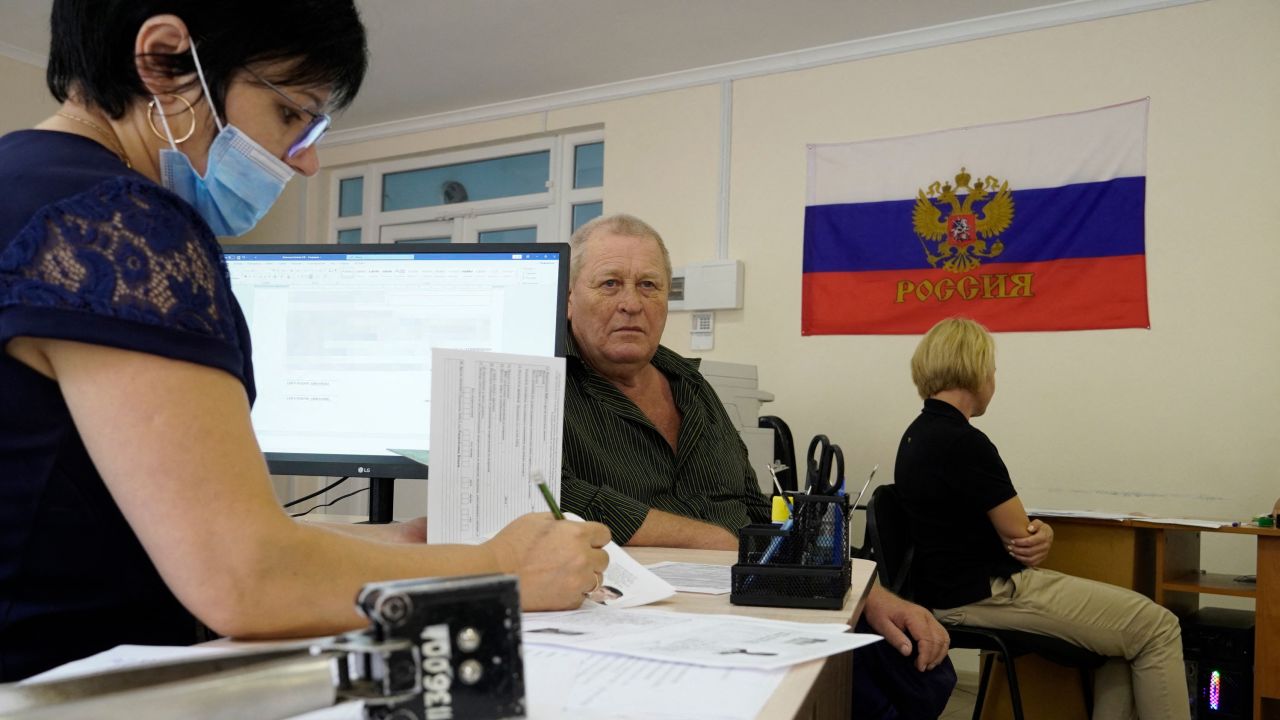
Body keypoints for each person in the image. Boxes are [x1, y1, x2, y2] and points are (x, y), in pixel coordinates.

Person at [0, 0, 609, 682]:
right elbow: (245, 579)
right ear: (164, 61)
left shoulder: (21, 184)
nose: (309, 161)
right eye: (292, 114)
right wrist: (504, 568)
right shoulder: (124, 225)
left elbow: (96, 521)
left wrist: (391, 555)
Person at [559, 213, 956, 718]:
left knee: (919, 669)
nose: (631, 303)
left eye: (649, 285)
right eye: (609, 283)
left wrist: (861, 587)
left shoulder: (691, 385)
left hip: (756, 593)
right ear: (569, 297)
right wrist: (722, 544)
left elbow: (755, 504)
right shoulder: (545, 386)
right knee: (862, 695)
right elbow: (566, 500)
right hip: (649, 624)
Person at [895, 317, 1189, 719]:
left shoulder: (916, 435)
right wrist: (1039, 533)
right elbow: (1021, 536)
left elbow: (996, 526)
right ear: (976, 370)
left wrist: (1036, 532)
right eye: (992, 370)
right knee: (1158, 628)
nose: (993, 381)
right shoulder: (965, 442)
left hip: (943, 593)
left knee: (1125, 641)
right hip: (984, 594)